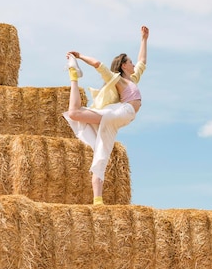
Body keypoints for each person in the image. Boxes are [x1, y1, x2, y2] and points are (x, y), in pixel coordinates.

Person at [63, 26, 149, 205]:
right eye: (130, 62)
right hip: (120, 112)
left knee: (101, 150)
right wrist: (80, 56)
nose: (134, 65)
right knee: (75, 115)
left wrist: (144, 39)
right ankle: (73, 75)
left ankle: (97, 199)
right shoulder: (118, 80)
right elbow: (98, 65)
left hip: (119, 115)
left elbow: (142, 61)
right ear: (124, 65)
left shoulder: (133, 79)